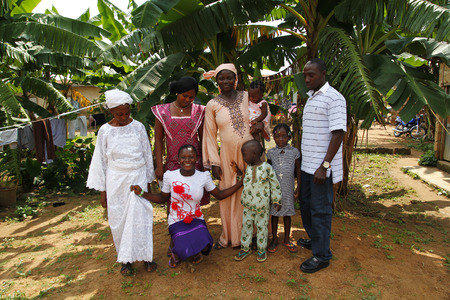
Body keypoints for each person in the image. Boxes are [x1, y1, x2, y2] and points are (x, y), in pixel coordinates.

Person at [130, 144, 244, 267]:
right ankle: (177, 251)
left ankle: (191, 250)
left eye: (191, 157)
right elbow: (162, 198)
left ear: (196, 159)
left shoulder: (203, 177)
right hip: (176, 220)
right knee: (183, 247)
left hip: (196, 219)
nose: (187, 160)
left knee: (206, 243)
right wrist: (142, 192)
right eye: (183, 157)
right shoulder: (170, 176)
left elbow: (219, 195)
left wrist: (240, 183)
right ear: (178, 160)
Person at [86, 89, 157, 275]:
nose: (124, 117)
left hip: (138, 176)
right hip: (116, 180)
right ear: (111, 112)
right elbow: (101, 161)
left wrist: (149, 181)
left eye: (127, 113)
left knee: (141, 218)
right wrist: (103, 191)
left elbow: (147, 154)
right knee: (119, 220)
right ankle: (125, 260)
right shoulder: (105, 131)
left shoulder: (139, 127)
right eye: (119, 114)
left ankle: (146, 257)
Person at [202, 63, 263, 249]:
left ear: (236, 79)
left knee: (254, 191)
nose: (226, 81)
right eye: (222, 78)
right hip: (227, 157)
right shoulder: (212, 105)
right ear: (217, 81)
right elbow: (209, 135)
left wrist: (261, 127)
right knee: (231, 193)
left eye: (230, 77)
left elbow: (261, 116)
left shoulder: (247, 97)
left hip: (252, 153)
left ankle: (255, 235)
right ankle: (230, 236)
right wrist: (213, 163)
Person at [297, 58, 347, 273]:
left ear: (323, 74)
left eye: (312, 75)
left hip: (321, 169)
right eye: (305, 75)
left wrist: (324, 166)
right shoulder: (311, 97)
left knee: (320, 210)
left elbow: (338, 134)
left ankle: (322, 255)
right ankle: (315, 240)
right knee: (307, 206)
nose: (307, 79)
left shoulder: (334, 98)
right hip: (308, 166)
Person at [151, 77, 208, 255]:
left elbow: (203, 139)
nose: (189, 100)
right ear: (177, 93)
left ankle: (194, 237)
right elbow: (158, 140)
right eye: (185, 96)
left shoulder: (199, 111)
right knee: (173, 203)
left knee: (193, 202)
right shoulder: (162, 111)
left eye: (192, 97)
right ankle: (174, 239)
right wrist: (159, 166)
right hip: (173, 165)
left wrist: (205, 164)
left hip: (194, 164)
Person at [233, 140, 282, 262]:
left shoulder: (267, 168)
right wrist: (239, 173)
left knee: (262, 227)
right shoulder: (248, 169)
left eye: (245, 154)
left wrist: (276, 200)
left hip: (262, 206)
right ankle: (245, 248)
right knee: (246, 227)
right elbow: (245, 183)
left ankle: (261, 249)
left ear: (254, 154)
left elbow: (274, 184)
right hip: (248, 204)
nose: (243, 157)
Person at [266, 123, 301, 253]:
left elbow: (298, 171)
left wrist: (298, 189)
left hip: (288, 189)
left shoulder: (294, 152)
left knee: (287, 214)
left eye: (284, 136)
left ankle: (287, 238)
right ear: (273, 137)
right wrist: (268, 190)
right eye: (277, 136)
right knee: (274, 214)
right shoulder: (271, 153)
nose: (281, 140)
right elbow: (267, 172)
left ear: (289, 137)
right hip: (275, 190)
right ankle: (274, 238)